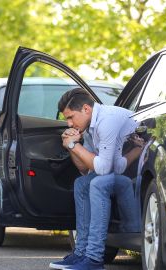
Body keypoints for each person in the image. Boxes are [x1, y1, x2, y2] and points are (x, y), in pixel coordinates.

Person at [49, 88, 143, 270]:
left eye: (71, 117)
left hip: (135, 178)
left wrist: (73, 145)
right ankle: (81, 252)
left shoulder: (107, 121)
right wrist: (72, 146)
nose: (69, 124)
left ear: (86, 109)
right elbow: (85, 169)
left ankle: (94, 258)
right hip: (120, 173)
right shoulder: (89, 126)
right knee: (81, 184)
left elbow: (103, 168)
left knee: (98, 183)